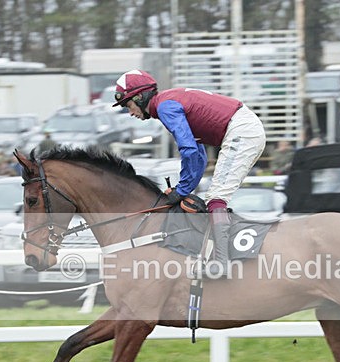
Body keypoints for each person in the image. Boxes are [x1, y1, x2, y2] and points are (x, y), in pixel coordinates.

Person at [113, 69, 266, 278]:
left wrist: (182, 189)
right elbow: (199, 155)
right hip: (243, 127)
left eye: (128, 105)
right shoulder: (167, 103)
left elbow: (189, 150)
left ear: (140, 97)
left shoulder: (165, 107)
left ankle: (221, 263)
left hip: (242, 131)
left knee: (216, 198)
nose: (130, 112)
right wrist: (183, 190)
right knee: (215, 197)